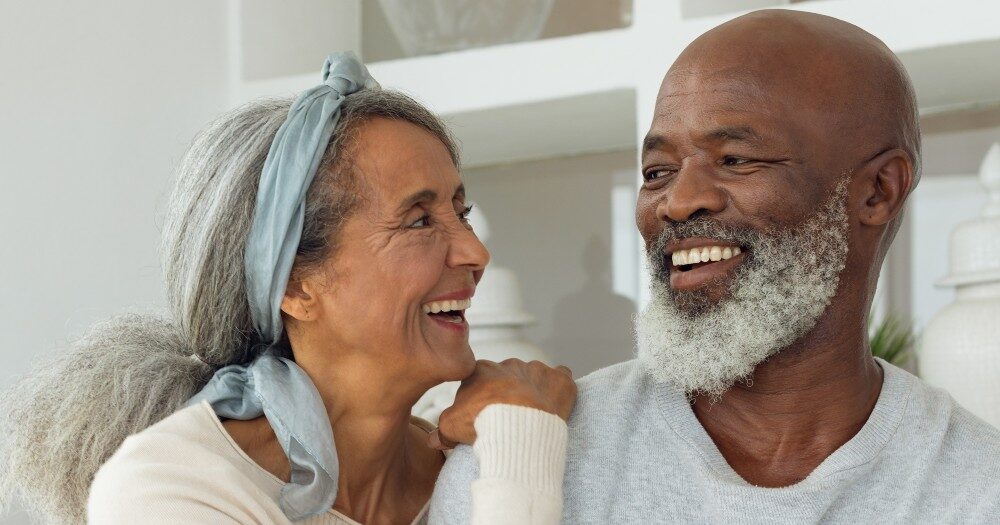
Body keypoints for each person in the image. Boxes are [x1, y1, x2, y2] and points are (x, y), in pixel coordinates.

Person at [431, 10, 1000, 523]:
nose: (678, 202)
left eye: (735, 160)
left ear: (877, 192)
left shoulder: (974, 492)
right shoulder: (522, 454)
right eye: (657, 171)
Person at [0, 53, 575, 525]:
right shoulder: (173, 490)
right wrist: (523, 439)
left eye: (460, 212)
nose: (476, 253)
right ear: (296, 284)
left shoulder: (468, 463)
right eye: (420, 220)